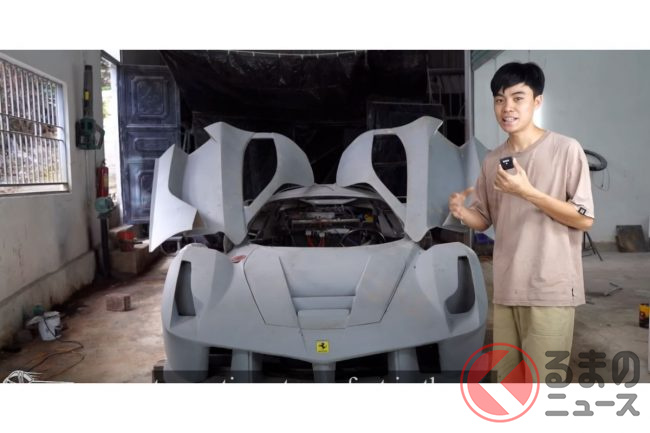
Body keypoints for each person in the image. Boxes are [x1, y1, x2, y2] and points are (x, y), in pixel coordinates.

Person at [448, 62, 594, 383]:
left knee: (541, 386)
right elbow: (484, 219)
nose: (507, 108)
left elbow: (584, 219)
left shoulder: (565, 150)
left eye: (518, 98)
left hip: (550, 290)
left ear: (537, 101)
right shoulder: (492, 160)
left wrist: (527, 192)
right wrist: (461, 212)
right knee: (509, 387)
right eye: (499, 100)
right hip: (507, 289)